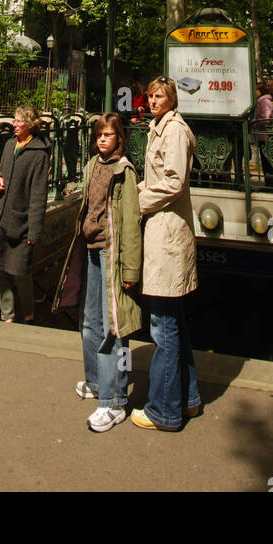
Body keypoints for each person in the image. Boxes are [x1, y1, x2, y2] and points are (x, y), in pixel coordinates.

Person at [55, 113, 142, 432]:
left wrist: (131, 268)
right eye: (100, 134)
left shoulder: (125, 171)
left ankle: (114, 400)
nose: (104, 139)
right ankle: (95, 381)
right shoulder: (93, 165)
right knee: (89, 320)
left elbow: (131, 222)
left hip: (111, 253)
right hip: (89, 250)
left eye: (109, 134)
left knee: (113, 326)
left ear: (120, 138)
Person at [131, 76, 201, 431]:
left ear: (172, 100)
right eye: (150, 95)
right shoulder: (159, 127)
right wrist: (133, 190)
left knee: (162, 327)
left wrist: (137, 205)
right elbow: (158, 177)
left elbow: (173, 182)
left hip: (167, 234)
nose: (153, 100)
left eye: (160, 96)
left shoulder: (172, 131)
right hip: (165, 231)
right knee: (174, 322)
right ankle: (187, 401)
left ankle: (164, 410)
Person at [0, 105, 50, 323]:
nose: (14, 125)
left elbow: (38, 194)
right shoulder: (9, 145)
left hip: (21, 220)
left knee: (20, 271)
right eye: (14, 121)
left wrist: (34, 229)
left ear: (30, 125)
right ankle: (7, 316)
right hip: (2, 216)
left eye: (18, 122)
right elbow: (0, 170)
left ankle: (28, 312)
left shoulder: (39, 154)